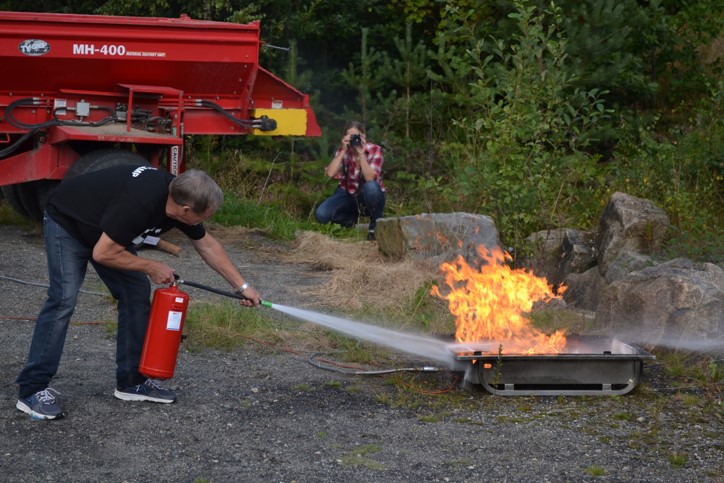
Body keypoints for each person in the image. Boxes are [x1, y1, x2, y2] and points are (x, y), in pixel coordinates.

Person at [15, 164, 261, 420]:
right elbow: (103, 253)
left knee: (135, 290)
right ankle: (32, 390)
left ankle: (131, 382)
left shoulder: (180, 197)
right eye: (203, 217)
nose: (203, 222)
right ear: (186, 210)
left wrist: (242, 287)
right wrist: (151, 266)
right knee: (63, 299)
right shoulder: (141, 202)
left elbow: (207, 245)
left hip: (107, 232)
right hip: (69, 223)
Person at [315, 121, 385, 240]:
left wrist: (361, 154)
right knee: (322, 214)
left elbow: (370, 178)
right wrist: (343, 150)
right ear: (345, 137)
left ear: (364, 136)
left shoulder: (375, 149)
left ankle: (374, 227)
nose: (354, 139)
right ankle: (350, 221)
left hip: (369, 195)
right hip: (348, 193)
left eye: (357, 136)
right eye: (350, 136)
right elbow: (330, 173)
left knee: (371, 187)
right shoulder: (343, 151)